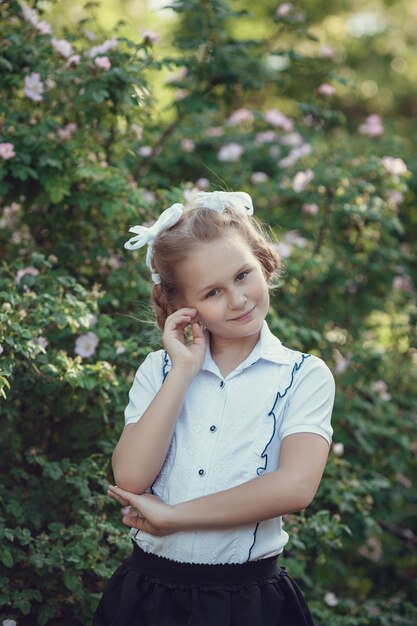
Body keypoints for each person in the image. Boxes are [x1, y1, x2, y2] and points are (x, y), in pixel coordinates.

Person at [92, 190, 335, 626]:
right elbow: (130, 476)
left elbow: (295, 486)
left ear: (263, 261)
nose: (238, 299)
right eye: (213, 292)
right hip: (148, 594)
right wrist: (183, 371)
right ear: (183, 306)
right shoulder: (160, 370)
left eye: (243, 275)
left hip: (247, 601)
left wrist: (175, 517)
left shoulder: (303, 375)